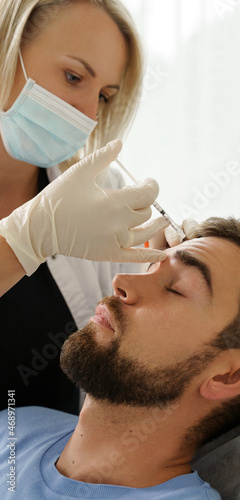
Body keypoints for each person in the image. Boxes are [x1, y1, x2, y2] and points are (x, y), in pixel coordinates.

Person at [0, 217, 240, 499]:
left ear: (230, 376)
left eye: (176, 289)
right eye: (151, 267)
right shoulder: (16, 426)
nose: (121, 282)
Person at [0, 0, 170, 414]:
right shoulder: (56, 219)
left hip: (36, 474)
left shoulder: (97, 196)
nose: (89, 114)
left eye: (105, 97)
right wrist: (26, 238)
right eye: (74, 76)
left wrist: (169, 269)